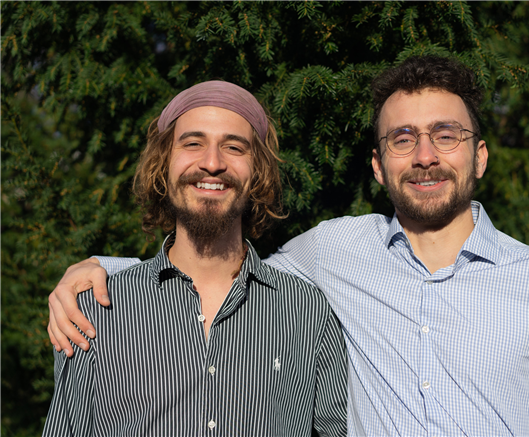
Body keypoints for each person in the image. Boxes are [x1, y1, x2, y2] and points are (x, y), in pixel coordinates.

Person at [48, 57, 529, 436]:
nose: (425, 155)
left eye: (446, 135)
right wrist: (105, 271)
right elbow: (220, 269)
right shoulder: (338, 252)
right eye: (403, 138)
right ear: (377, 164)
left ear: (480, 156)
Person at [43, 81, 348, 437]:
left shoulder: (306, 310)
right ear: (164, 162)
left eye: (234, 147)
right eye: (192, 143)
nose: (212, 163)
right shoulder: (94, 309)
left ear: (258, 171)